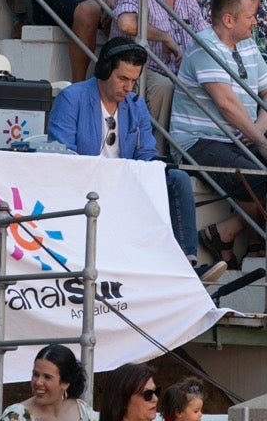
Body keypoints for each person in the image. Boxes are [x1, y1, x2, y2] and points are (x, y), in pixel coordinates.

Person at [48, 40, 205, 270]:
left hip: (126, 182)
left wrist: (150, 168)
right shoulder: (72, 98)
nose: (129, 88)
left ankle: (187, 265)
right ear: (103, 70)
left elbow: (147, 152)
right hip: (86, 184)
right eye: (123, 79)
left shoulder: (135, 104)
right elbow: (62, 156)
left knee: (177, 180)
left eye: (134, 80)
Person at [171, 0, 267, 267]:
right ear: (228, 20)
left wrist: (259, 130)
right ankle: (238, 241)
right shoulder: (205, 46)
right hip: (197, 141)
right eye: (250, 16)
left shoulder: (247, 43)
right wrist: (261, 142)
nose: (255, 21)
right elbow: (227, 105)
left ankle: (224, 233)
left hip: (240, 137)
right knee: (263, 178)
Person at [0, 344, 101, 421]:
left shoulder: (86, 416)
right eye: (35, 374)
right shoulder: (15, 417)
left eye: (47, 377)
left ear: (65, 383)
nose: (38, 382)